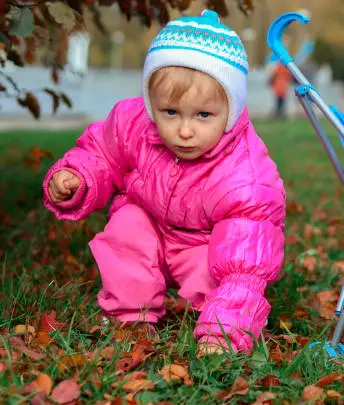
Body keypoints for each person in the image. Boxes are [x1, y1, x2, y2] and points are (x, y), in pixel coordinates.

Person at [42, 10, 286, 355]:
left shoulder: (244, 174)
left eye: (203, 115)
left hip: (202, 244)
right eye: (170, 112)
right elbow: (101, 153)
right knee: (127, 227)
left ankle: (217, 324)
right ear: (151, 103)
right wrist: (77, 177)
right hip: (150, 224)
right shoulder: (134, 123)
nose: (185, 131)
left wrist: (224, 333)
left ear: (230, 110)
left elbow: (245, 259)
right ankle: (131, 315)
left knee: (222, 271)